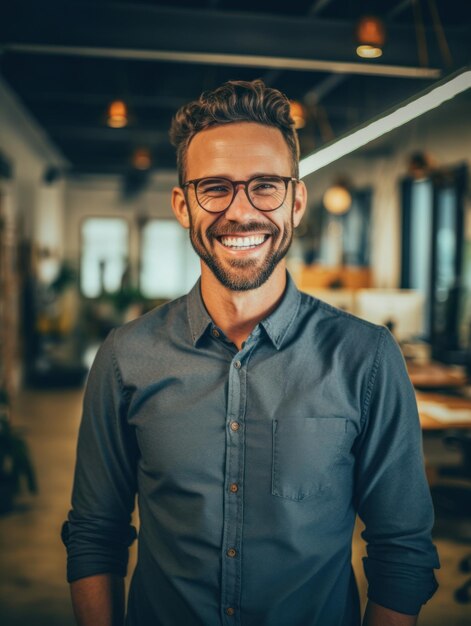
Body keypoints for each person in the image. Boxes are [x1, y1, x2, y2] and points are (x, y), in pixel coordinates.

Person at [62, 79, 439, 626]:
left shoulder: (367, 358)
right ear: (183, 205)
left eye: (265, 185)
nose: (241, 213)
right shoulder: (126, 357)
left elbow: (402, 552)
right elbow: (95, 535)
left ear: (297, 201)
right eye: (214, 187)